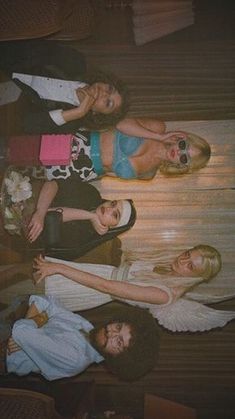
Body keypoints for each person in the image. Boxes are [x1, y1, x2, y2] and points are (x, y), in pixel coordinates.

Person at [29, 244, 235, 332]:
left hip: (90, 287)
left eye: (190, 265)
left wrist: (59, 268)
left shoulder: (164, 295)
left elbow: (105, 285)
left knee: (26, 289)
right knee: (20, 274)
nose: (183, 260)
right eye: (188, 254)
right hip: (93, 273)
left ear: (197, 278)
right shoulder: (168, 272)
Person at [0, 294, 159, 381]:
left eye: (119, 342)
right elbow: (47, 300)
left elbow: (21, 332)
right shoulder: (87, 327)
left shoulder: (74, 358)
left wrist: (37, 322)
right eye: (118, 327)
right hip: (10, 328)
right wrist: (39, 319)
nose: (111, 333)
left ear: (118, 359)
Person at [0, 40, 128, 134]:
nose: (105, 93)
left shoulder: (69, 124)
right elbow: (27, 48)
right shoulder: (75, 61)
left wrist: (78, 112)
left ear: (97, 114)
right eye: (110, 89)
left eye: (108, 103)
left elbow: (25, 125)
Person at [19, 176, 136, 260]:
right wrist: (40, 211)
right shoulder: (92, 193)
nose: (109, 209)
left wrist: (90, 216)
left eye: (115, 215)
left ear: (112, 227)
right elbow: (53, 183)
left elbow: (47, 217)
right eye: (113, 203)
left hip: (18, 230)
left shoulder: (81, 241)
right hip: (24, 193)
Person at [42, 127, 211, 182]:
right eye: (183, 145)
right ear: (182, 138)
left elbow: (109, 173)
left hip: (84, 172)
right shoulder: (157, 128)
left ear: (182, 165)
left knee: (30, 174)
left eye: (184, 157)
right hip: (81, 144)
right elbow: (122, 124)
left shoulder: (149, 174)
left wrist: (91, 174)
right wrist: (159, 137)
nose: (179, 152)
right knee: (24, 151)